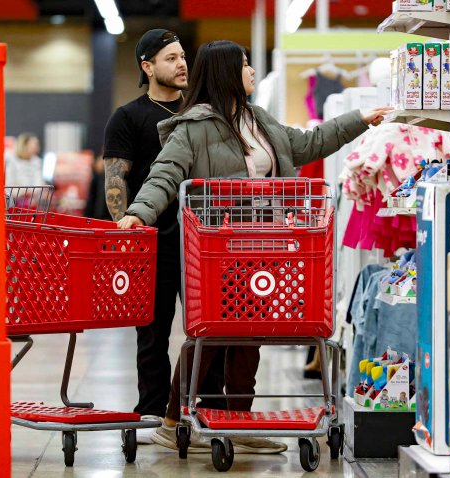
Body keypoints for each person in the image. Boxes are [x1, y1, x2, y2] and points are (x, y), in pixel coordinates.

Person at [117, 40, 391, 453]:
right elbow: (164, 174)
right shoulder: (193, 127)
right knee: (212, 333)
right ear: (227, 72)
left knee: (252, 332)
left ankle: (238, 420)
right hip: (216, 249)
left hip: (266, 244)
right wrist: (140, 212)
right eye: (245, 65)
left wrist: (359, 119)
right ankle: (173, 419)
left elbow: (308, 144)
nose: (251, 72)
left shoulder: (257, 119)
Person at [103, 29, 227, 450]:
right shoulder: (129, 116)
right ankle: (154, 410)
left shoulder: (202, 114)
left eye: (183, 57)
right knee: (153, 332)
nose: (181, 64)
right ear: (147, 66)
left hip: (202, 241)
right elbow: (115, 181)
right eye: (170, 57)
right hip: (152, 242)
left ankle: (207, 407)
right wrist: (128, 234)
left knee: (208, 329)